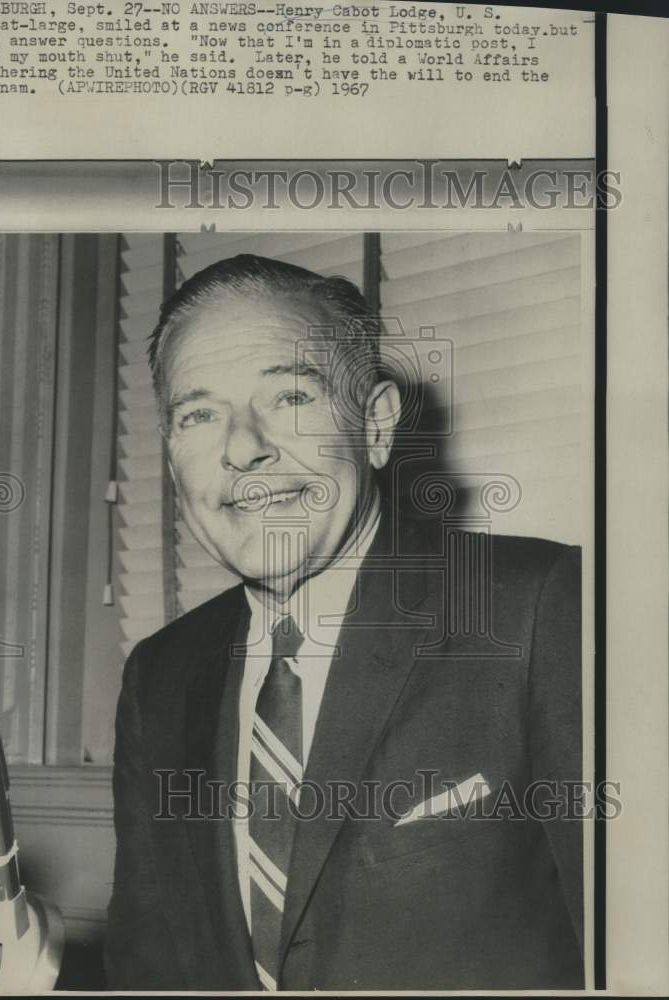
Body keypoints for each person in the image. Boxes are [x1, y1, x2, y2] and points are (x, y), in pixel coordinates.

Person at [105, 254, 583, 991]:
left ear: (377, 424)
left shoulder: (538, 606)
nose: (241, 448)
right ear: (171, 461)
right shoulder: (158, 674)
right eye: (197, 414)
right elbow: (146, 967)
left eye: (290, 396)